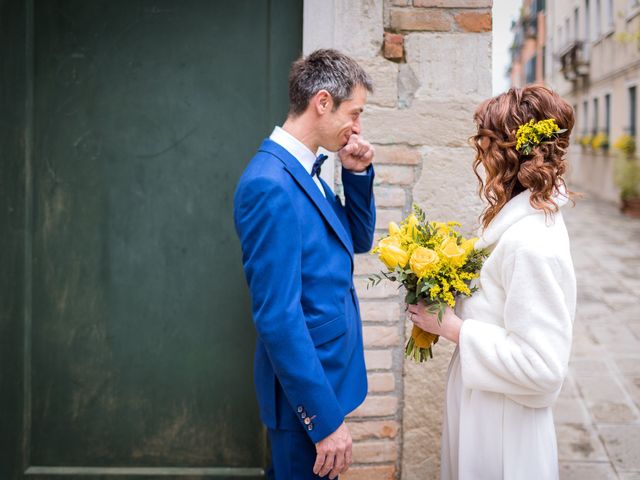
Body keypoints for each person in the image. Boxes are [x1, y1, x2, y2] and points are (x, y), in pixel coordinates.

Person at [407, 84, 577, 480]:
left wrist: (451, 328)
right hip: (485, 411)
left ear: (507, 153)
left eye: (485, 143)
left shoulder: (532, 242)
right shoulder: (514, 224)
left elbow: (544, 368)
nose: (480, 156)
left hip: (504, 432)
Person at [233, 49, 376, 479]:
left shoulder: (307, 166)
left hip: (328, 371)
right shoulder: (268, 183)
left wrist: (355, 175)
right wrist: (324, 420)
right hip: (303, 397)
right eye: (355, 113)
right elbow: (277, 316)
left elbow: (357, 240)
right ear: (323, 102)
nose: (357, 127)